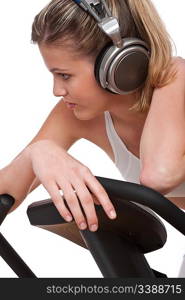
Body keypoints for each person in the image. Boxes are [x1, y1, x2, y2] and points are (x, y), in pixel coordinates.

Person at [0, 0, 185, 275]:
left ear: (120, 64)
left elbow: (159, 175)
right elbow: (6, 195)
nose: (57, 90)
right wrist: (38, 152)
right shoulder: (75, 115)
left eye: (65, 75)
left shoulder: (176, 76)